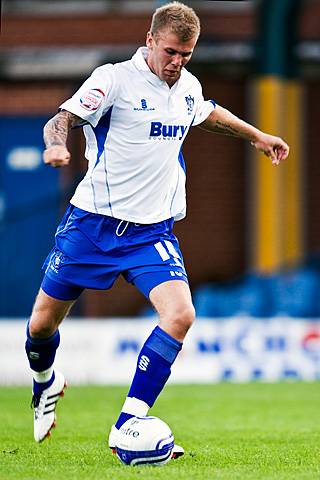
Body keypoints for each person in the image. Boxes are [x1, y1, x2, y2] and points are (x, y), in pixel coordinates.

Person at [25, 1, 289, 455]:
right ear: (150, 40)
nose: (176, 63)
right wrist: (55, 147)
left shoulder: (186, 84)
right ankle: (45, 381)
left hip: (152, 232)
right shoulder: (113, 79)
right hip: (92, 224)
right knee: (41, 325)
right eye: (170, 52)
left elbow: (207, 113)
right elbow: (61, 118)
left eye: (186, 55)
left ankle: (130, 421)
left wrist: (258, 136)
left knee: (181, 315)